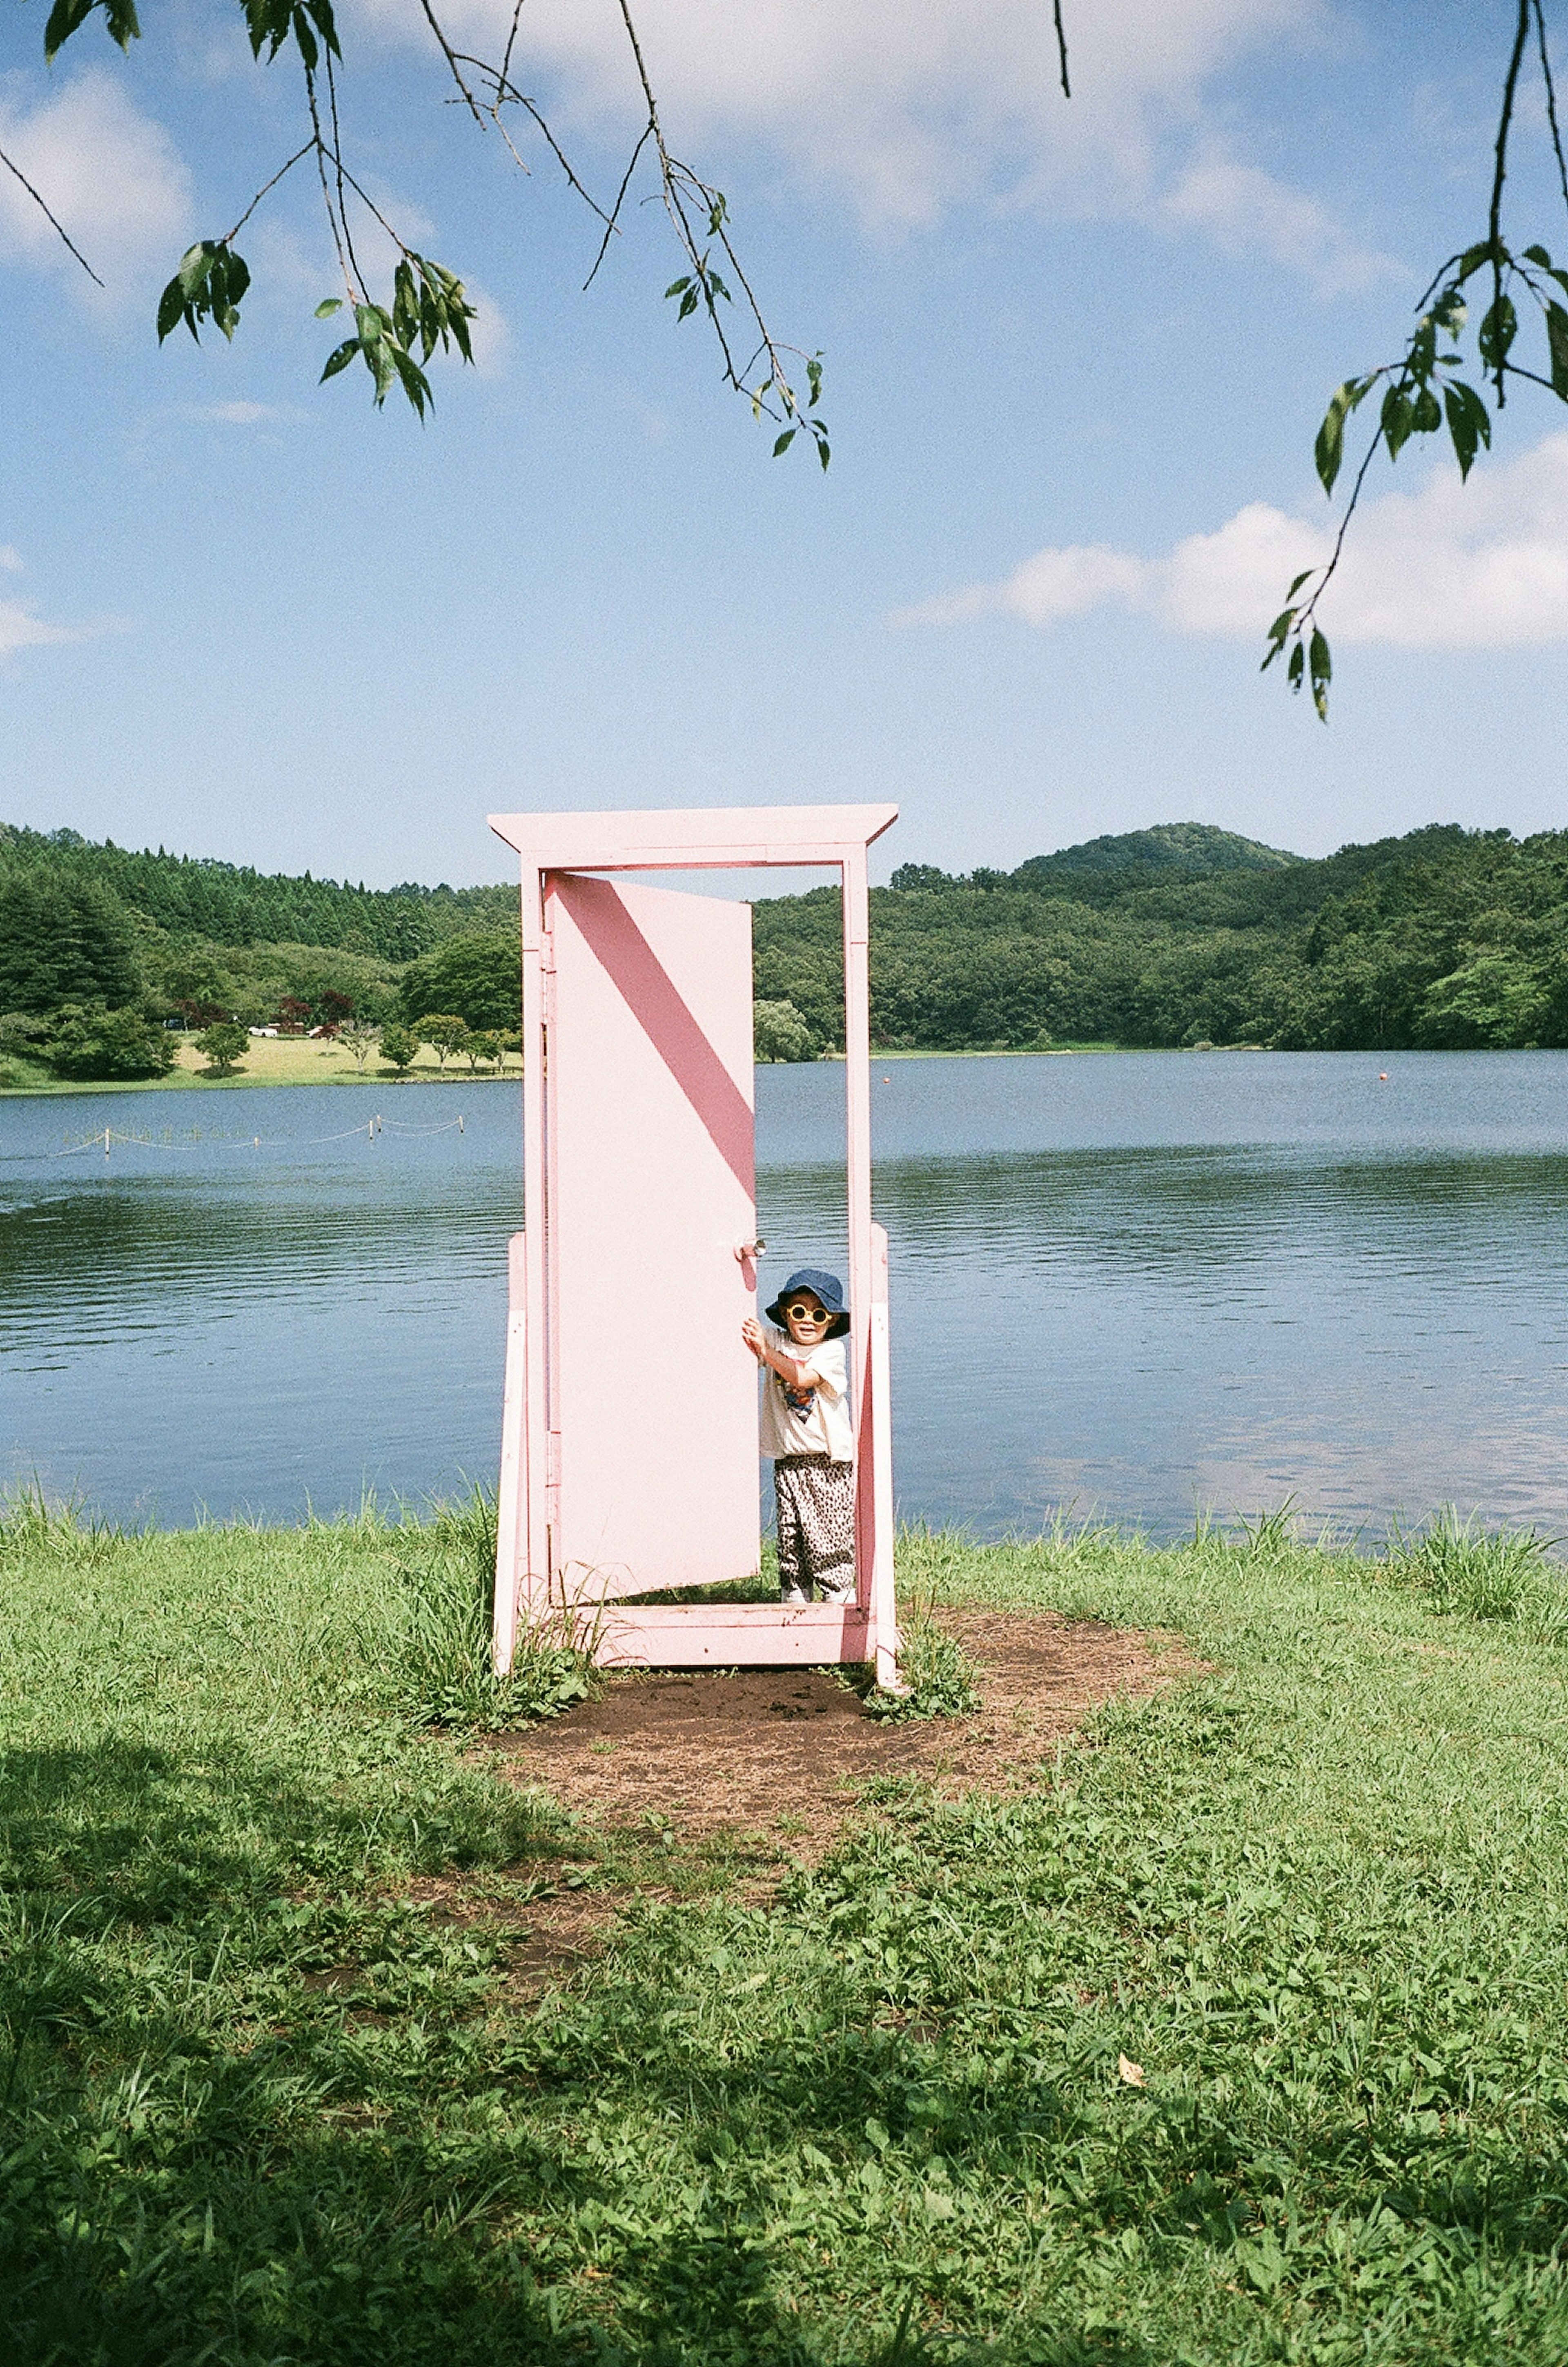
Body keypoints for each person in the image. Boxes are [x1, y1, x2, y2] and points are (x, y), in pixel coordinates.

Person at [742, 1267, 856, 1607]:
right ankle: (795, 1592)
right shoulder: (775, 1341)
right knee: (791, 1532)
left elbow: (804, 1378)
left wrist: (766, 1352)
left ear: (831, 1321)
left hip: (827, 1461)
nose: (808, 1320)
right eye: (799, 1311)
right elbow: (748, 1332)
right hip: (789, 1459)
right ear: (787, 1314)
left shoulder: (831, 1352)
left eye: (818, 1314)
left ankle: (837, 1592)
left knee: (828, 1529)